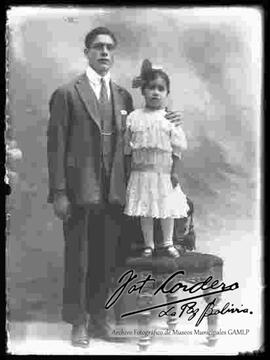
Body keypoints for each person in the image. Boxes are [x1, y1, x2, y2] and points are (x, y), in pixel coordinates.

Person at [47, 27, 183, 348]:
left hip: (115, 194)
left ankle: (98, 319)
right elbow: (55, 148)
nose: (104, 52)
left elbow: (144, 127)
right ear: (87, 53)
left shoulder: (123, 96)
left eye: (109, 48)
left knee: (105, 259)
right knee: (77, 259)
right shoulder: (67, 94)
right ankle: (77, 323)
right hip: (80, 192)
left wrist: (171, 119)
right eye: (98, 47)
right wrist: (60, 193)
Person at [124, 60, 189, 258]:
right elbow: (127, 147)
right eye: (151, 88)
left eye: (161, 89)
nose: (155, 92)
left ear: (167, 93)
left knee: (165, 207)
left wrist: (174, 172)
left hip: (163, 172)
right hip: (140, 172)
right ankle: (149, 244)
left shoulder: (170, 118)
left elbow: (177, 148)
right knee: (146, 209)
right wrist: (127, 172)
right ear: (143, 91)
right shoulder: (134, 117)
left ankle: (167, 243)